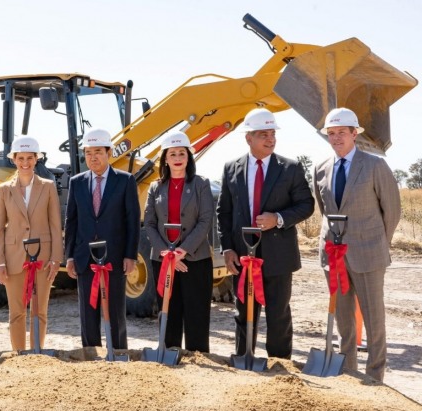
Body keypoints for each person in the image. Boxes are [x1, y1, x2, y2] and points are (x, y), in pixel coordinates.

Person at [217, 108, 314, 359]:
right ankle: (244, 359)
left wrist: (278, 219)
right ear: (248, 138)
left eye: (272, 134)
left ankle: (280, 366)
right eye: (264, 135)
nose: (270, 139)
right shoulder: (231, 168)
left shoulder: (290, 168)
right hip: (242, 255)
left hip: (278, 256)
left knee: (278, 314)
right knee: (243, 312)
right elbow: (224, 212)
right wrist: (227, 248)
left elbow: (306, 205)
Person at [313, 108, 400, 381]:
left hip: (368, 254)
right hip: (334, 255)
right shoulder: (320, 168)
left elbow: (392, 210)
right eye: (331, 133)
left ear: (354, 134)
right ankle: (348, 372)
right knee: (343, 320)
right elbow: (326, 210)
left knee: (374, 320)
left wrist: (377, 242)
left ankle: (374, 376)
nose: (336, 137)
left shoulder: (374, 165)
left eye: (342, 132)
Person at [64, 128, 140, 349]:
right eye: (88, 153)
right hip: (84, 257)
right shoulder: (77, 182)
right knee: (88, 313)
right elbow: (71, 222)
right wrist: (70, 256)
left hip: (114, 257)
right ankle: (91, 355)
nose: (93, 157)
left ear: (109, 152)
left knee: (115, 312)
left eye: (98, 151)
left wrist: (130, 255)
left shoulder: (125, 181)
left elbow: (132, 221)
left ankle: (118, 353)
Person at [144, 132, 214, 353]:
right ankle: (169, 353)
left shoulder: (201, 184)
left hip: (195, 260)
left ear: (188, 157)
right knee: (169, 311)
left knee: (197, 313)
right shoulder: (155, 187)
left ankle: (198, 356)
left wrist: (182, 251)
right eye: (172, 154)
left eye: (181, 153)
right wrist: (167, 253)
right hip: (163, 260)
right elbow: (149, 223)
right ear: (165, 158)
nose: (177, 158)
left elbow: (205, 220)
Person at [0, 136, 63, 351]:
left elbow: (55, 225)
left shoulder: (48, 187)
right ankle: (19, 355)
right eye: (21, 158)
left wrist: (55, 258)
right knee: (17, 312)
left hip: (43, 258)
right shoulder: (4, 189)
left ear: (36, 159)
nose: (25, 162)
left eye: (29, 158)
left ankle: (37, 354)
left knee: (40, 311)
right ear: (13, 159)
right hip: (14, 258)